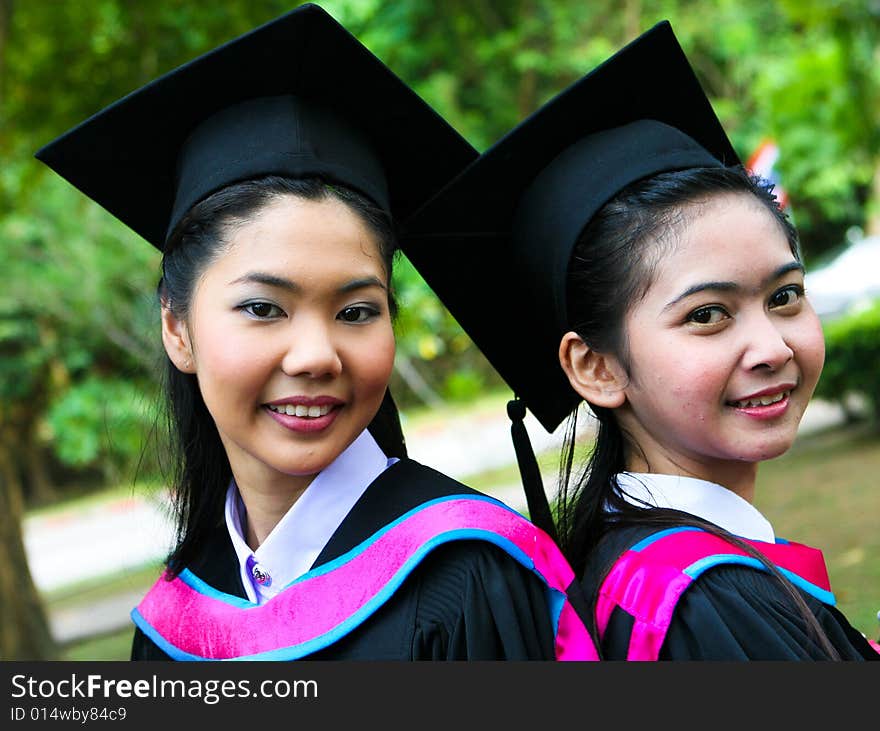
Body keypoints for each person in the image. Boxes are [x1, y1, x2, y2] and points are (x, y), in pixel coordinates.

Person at [34, 4, 598, 661]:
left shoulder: (467, 578)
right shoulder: (174, 625)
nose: (315, 355)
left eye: (356, 311)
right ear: (176, 328)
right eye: (263, 308)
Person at [403, 21, 879, 660]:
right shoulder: (697, 599)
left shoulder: (637, 563)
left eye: (784, 296)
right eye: (708, 314)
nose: (771, 347)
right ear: (596, 368)